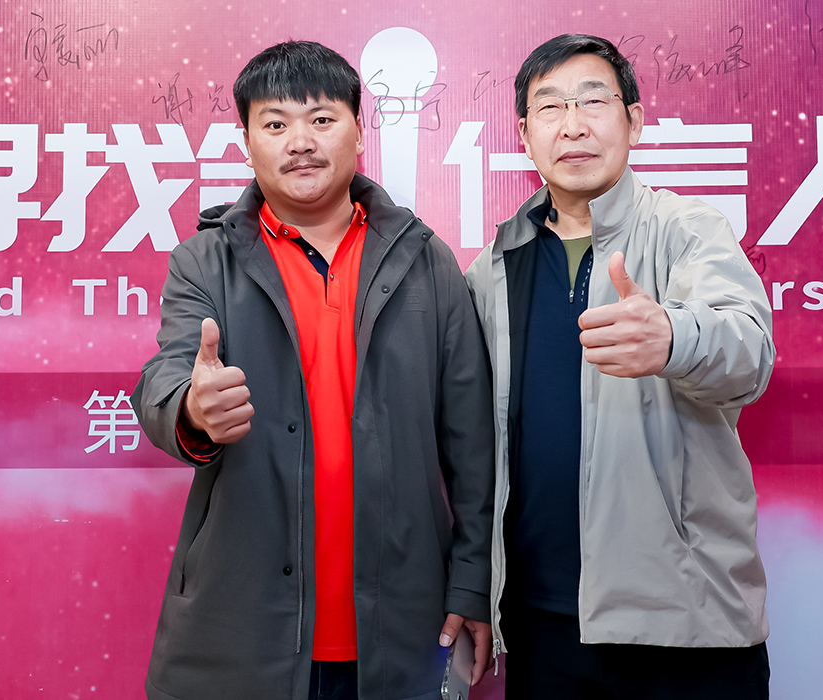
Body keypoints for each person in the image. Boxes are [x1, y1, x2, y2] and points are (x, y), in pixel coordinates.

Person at [131, 40, 494, 700]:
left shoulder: (425, 261)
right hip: (246, 625)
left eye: (322, 119)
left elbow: (472, 442)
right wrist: (191, 407)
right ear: (247, 144)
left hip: (403, 623)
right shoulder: (204, 261)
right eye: (275, 124)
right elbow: (165, 377)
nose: (300, 141)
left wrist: (472, 581)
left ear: (359, 132)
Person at [464, 34, 775, 699]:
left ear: (634, 121)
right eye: (550, 107)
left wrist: (675, 337)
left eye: (593, 101)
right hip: (541, 625)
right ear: (524, 134)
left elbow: (749, 355)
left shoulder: (685, 228)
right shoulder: (494, 268)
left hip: (686, 623)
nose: (572, 125)